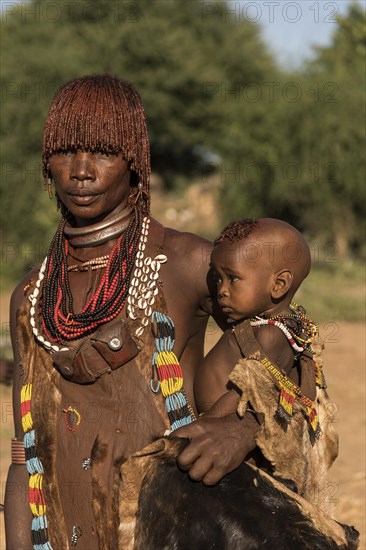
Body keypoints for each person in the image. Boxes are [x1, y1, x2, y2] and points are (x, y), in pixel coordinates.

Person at [4, 74, 258, 550]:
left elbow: (287, 341)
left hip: (172, 530)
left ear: (134, 163)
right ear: (47, 164)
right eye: (65, 153)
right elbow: (25, 458)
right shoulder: (31, 299)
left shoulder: (186, 263)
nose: (80, 171)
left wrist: (241, 427)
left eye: (102, 152)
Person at [194, 218, 339, 512]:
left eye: (232, 279)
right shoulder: (281, 327)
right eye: (217, 277)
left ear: (279, 284)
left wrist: (194, 432)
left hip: (233, 456)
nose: (221, 290)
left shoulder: (272, 334)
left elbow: (243, 399)